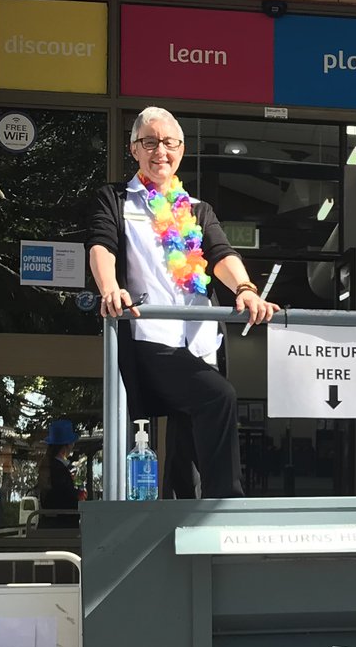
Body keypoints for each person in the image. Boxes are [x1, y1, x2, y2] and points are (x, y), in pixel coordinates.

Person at [84, 107, 278, 498]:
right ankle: (227, 505)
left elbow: (222, 254)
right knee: (218, 396)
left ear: (181, 150)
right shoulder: (116, 200)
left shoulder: (196, 209)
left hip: (200, 342)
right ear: (134, 149)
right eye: (150, 142)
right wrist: (109, 288)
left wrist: (244, 288)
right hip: (150, 337)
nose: (160, 151)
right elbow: (101, 245)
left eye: (169, 143)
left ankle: (180, 520)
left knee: (187, 443)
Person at [37, 418, 80, 530]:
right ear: (67, 445)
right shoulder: (59, 470)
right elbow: (66, 498)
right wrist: (78, 496)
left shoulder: (49, 466)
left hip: (49, 525)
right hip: (63, 527)